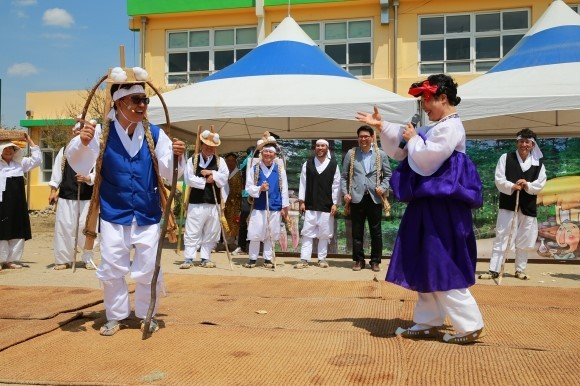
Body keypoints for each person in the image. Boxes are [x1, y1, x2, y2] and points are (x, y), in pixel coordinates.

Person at [356, 74, 485, 344]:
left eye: (427, 100)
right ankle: (428, 320)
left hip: (443, 207)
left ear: (443, 98)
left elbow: (427, 159)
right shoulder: (438, 127)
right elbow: (406, 150)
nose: (424, 107)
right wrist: (382, 126)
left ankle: (470, 323)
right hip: (429, 205)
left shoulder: (451, 128)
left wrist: (414, 139)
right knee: (426, 260)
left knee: (443, 261)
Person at [66, 66, 186, 336]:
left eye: (145, 100)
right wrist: (82, 142)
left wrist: (179, 155)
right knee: (113, 264)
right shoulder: (101, 133)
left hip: (147, 211)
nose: (142, 105)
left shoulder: (155, 134)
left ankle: (147, 314)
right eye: (136, 100)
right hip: (113, 211)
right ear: (120, 103)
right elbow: (80, 162)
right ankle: (116, 315)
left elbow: (169, 169)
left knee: (148, 266)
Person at [479, 128, 547, 281]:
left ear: (532, 145)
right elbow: (499, 178)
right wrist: (511, 186)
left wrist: (527, 185)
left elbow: (540, 183)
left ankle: (520, 270)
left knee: (524, 239)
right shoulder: (506, 158)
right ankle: (494, 270)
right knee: (502, 236)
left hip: (527, 206)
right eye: (521, 141)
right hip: (509, 204)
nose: (524, 144)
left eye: (527, 142)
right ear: (517, 142)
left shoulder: (539, 164)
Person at [341, 126, 391, 272]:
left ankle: (375, 261)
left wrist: (383, 187)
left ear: (371, 137)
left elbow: (388, 175)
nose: (363, 139)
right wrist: (345, 193)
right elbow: (344, 176)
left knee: (376, 231)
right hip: (356, 197)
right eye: (361, 136)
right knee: (357, 231)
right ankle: (359, 260)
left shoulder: (380, 154)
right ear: (358, 138)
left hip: (374, 197)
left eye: (366, 136)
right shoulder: (351, 154)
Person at [48, 122, 97, 270]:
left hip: (87, 196)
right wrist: (53, 190)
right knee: (65, 227)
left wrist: (89, 178)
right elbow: (57, 171)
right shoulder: (64, 151)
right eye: (76, 132)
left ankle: (88, 258)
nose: (79, 135)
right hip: (66, 195)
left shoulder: (94, 152)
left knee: (86, 227)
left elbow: (100, 173)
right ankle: (64, 260)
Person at [180, 128, 228, 269]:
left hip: (214, 203)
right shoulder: (193, 160)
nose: (209, 149)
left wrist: (213, 174)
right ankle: (189, 257)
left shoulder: (220, 162)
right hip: (197, 202)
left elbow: (224, 178)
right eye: (206, 146)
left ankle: (205, 258)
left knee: (212, 231)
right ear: (201, 145)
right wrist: (206, 180)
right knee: (193, 230)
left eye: (212, 147)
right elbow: (189, 179)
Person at [243, 132, 289, 268]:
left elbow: (284, 190)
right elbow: (248, 187)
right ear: (261, 154)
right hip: (259, 206)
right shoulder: (255, 169)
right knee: (255, 233)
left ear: (275, 155)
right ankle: (252, 258)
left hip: (275, 205)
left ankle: (268, 259)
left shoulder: (280, 170)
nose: (268, 154)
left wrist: (284, 207)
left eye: (271, 152)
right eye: (266, 152)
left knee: (271, 233)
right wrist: (259, 189)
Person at [294, 139, 340, 269]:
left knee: (324, 234)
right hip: (310, 204)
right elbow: (302, 183)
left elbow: (336, 186)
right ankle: (304, 259)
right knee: (307, 233)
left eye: (323, 146)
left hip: (326, 205)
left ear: (327, 148)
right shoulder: (307, 164)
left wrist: (335, 203)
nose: (320, 148)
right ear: (315, 148)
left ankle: (322, 259)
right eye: (318, 146)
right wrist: (302, 201)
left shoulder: (333, 164)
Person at [0, 133, 41, 270]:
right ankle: (1, 260)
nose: (9, 151)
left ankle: (11, 260)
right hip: (1, 204)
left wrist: (30, 140)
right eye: (5, 148)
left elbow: (37, 159)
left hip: (17, 204)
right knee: (2, 231)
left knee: (17, 230)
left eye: (11, 149)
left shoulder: (20, 164)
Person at [232, 146, 254, 255]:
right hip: (247, 195)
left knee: (257, 222)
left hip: (260, 195)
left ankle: (254, 247)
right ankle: (242, 246)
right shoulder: (247, 161)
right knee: (244, 221)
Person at [223, 152, 243, 249]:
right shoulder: (224, 173)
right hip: (225, 201)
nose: (230, 163)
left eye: (232, 161)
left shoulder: (239, 173)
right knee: (225, 220)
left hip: (236, 202)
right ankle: (227, 242)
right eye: (228, 161)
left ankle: (236, 242)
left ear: (235, 162)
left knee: (236, 221)